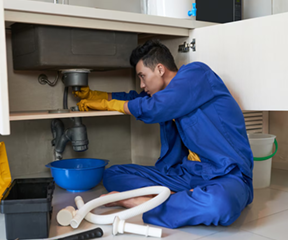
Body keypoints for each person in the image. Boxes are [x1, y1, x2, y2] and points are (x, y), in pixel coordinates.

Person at [74, 40, 254, 229]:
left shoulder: (197, 74)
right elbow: (136, 99)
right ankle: (181, 200)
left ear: (160, 69)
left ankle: (140, 202)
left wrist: (109, 105)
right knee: (113, 174)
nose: (142, 84)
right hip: (187, 174)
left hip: (226, 175)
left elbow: (153, 108)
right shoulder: (165, 94)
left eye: (143, 76)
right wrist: (97, 95)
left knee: (220, 205)